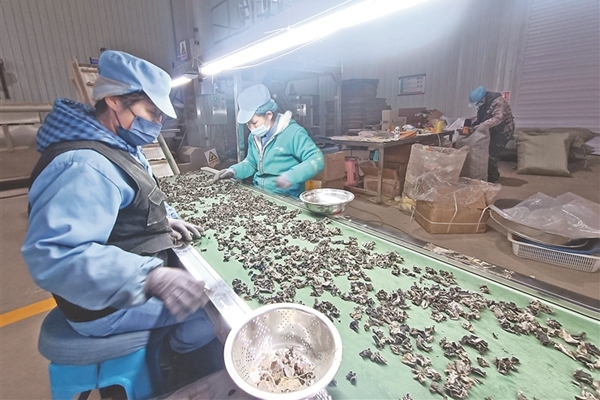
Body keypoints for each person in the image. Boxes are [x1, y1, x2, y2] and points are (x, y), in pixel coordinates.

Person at [21, 50, 222, 387]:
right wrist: (151, 277)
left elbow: (139, 196)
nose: (157, 123)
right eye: (151, 112)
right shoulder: (83, 164)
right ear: (114, 101)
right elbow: (55, 256)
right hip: (103, 306)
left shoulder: (118, 145)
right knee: (212, 315)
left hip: (112, 292)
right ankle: (174, 364)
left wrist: (165, 220)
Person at [212, 84, 324, 197]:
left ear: (268, 115)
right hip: (260, 194)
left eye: (254, 123)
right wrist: (233, 171)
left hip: (287, 197)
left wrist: (291, 176)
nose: (251, 128)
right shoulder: (254, 137)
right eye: (247, 124)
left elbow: (316, 159)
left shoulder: (293, 133)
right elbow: (251, 163)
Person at [468, 85, 515, 182]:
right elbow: (485, 116)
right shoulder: (484, 104)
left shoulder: (498, 102)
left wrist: (482, 125)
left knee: (492, 154)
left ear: (483, 97)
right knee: (485, 151)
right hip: (494, 129)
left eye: (478, 102)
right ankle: (488, 175)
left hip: (503, 130)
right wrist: (472, 123)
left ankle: (492, 178)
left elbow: (498, 118)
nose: (478, 105)